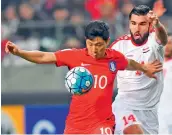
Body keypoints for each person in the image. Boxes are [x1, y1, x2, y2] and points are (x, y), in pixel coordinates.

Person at [5, 20, 162, 134]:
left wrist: (144, 68)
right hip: (76, 125)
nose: (94, 49)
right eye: (90, 44)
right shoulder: (74, 56)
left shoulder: (114, 58)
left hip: (102, 123)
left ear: (107, 42)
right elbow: (44, 57)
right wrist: (19, 52)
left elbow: (129, 63)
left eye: (99, 45)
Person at [110, 5, 168, 134]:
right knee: (134, 132)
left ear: (149, 26)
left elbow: (163, 39)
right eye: (133, 23)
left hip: (149, 112)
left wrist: (158, 24)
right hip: (125, 105)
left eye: (142, 24)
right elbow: (106, 69)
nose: (137, 28)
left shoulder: (154, 41)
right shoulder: (119, 46)